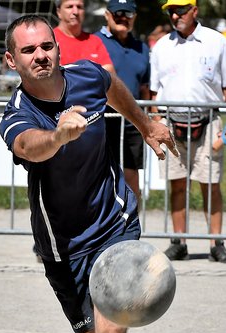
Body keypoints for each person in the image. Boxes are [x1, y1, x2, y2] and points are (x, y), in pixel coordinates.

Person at [0, 14, 176, 333]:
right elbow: (29, 146)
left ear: (58, 48)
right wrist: (59, 136)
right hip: (64, 246)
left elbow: (112, 84)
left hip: (115, 225)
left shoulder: (87, 76)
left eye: (46, 47)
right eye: (29, 51)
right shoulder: (17, 111)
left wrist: (145, 124)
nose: (41, 56)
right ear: (11, 60)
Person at [150, 0, 226, 264]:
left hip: (208, 122)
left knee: (211, 184)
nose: (175, 15)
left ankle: (216, 244)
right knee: (177, 184)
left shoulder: (217, 42)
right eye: (171, 10)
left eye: (181, 9)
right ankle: (179, 241)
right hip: (172, 124)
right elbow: (155, 92)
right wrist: (157, 121)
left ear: (195, 10)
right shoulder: (162, 46)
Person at [99, 0, 150, 207]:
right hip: (102, 120)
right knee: (100, 177)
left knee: (131, 177)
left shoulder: (141, 48)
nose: (123, 18)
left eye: (127, 14)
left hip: (132, 123)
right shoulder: (95, 41)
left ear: (134, 17)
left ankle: (131, 228)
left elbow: (145, 87)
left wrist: (151, 117)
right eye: (117, 13)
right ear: (107, 15)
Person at [53, 0, 113, 73]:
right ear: (59, 12)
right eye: (69, 7)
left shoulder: (95, 41)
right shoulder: (50, 40)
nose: (75, 12)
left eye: (79, 7)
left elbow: (109, 74)